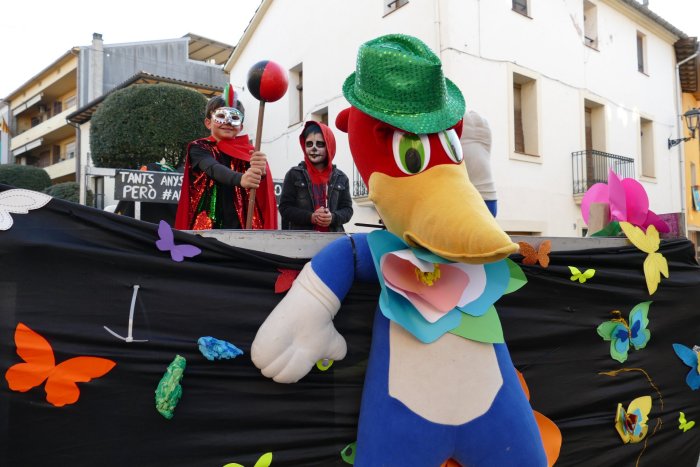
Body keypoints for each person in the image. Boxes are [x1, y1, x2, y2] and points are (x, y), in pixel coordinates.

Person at [175, 89, 277, 230]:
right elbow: (213, 168)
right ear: (208, 122)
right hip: (207, 227)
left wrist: (261, 173)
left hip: (240, 226)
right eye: (221, 116)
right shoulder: (199, 148)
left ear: (240, 126)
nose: (228, 122)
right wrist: (241, 179)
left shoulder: (249, 153)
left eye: (234, 118)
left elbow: (260, 192)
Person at [278, 121, 353, 231]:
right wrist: (311, 217)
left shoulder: (341, 178)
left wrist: (332, 217)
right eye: (309, 144)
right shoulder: (293, 175)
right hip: (302, 241)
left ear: (329, 146)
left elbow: (347, 210)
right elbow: (285, 208)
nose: (314, 148)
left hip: (332, 241)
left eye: (320, 144)